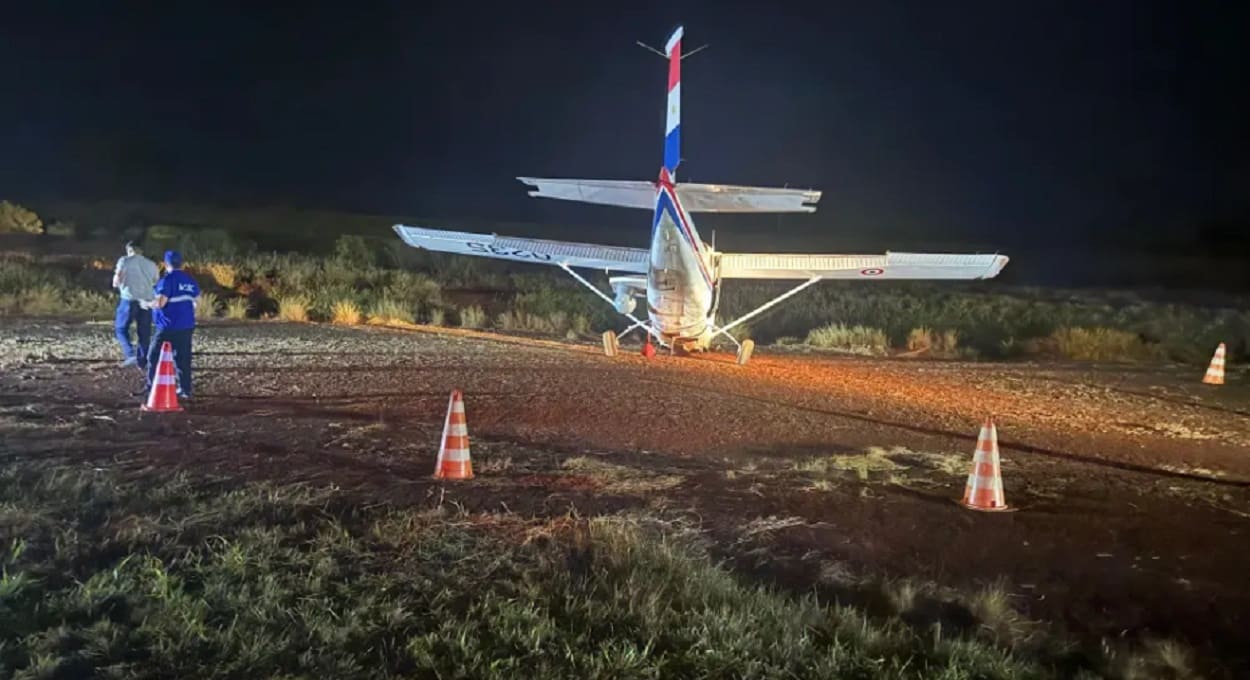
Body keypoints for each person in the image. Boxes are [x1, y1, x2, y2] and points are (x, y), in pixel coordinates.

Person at [139, 250, 200, 400]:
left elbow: (160, 303)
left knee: (153, 355)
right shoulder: (190, 280)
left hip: (167, 326)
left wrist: (146, 304)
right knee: (183, 359)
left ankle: (151, 386)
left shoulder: (167, 280)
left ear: (166, 264)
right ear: (181, 263)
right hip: (186, 326)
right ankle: (185, 390)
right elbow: (198, 301)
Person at [112, 240, 159, 368]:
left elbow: (116, 281)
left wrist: (117, 282)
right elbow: (155, 281)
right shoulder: (151, 264)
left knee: (121, 328)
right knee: (144, 332)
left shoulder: (124, 261)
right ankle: (143, 361)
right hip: (146, 301)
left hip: (129, 300)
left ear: (129, 250)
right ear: (141, 251)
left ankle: (130, 354)